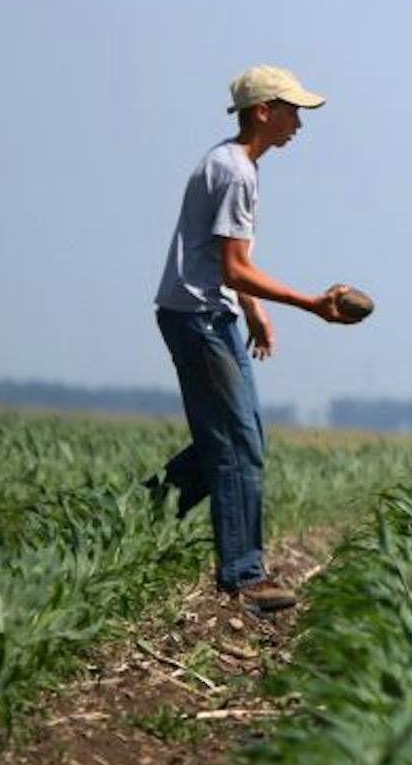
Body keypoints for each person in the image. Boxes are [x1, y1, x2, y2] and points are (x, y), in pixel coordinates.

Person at [149, 65, 359, 614]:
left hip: (204, 312)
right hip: (197, 318)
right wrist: (311, 304)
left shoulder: (232, 162)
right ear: (263, 111)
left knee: (239, 440)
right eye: (292, 110)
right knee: (238, 445)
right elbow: (235, 267)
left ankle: (135, 516)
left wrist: (255, 311)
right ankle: (243, 575)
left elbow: (229, 265)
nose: (299, 123)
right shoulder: (236, 171)